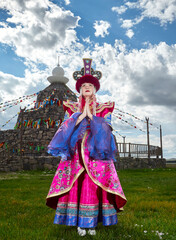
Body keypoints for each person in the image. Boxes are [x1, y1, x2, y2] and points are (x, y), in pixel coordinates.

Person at [46, 60, 127, 236]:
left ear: (96, 89)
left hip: (97, 151)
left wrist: (91, 116)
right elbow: (65, 129)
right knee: (76, 183)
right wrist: (81, 116)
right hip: (76, 153)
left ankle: (91, 222)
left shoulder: (104, 108)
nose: (87, 87)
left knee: (94, 184)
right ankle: (78, 223)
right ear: (80, 90)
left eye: (91, 85)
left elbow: (107, 129)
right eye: (84, 85)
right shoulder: (72, 107)